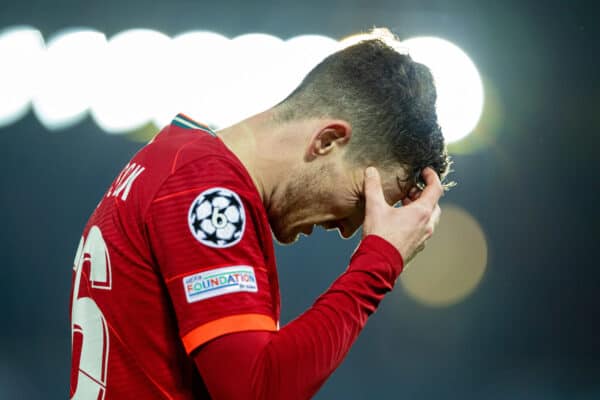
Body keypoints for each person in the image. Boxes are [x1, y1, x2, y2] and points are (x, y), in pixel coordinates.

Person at [70, 28, 451, 399]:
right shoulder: (205, 190)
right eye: (360, 201)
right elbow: (259, 390)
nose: (351, 230)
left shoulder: (175, 160)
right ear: (328, 141)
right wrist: (379, 263)